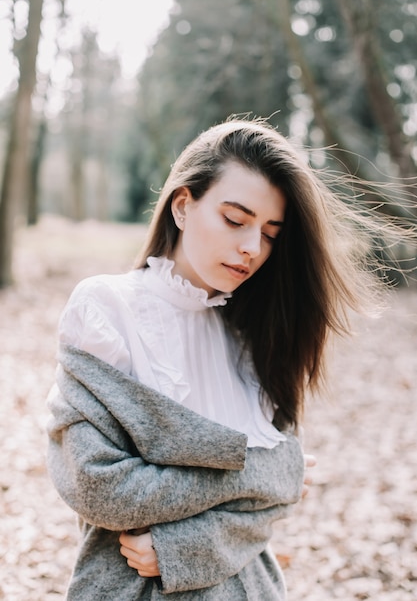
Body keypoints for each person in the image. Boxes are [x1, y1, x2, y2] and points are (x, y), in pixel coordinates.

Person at [47, 117, 387, 600]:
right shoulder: (106, 309)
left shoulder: (255, 334)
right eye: (235, 219)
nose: (251, 248)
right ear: (183, 206)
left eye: (270, 233)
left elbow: (273, 505)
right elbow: (100, 488)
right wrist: (263, 472)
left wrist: (188, 546)